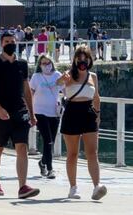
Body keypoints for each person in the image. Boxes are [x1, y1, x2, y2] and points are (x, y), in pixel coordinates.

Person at [0, 31, 39, 198]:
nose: (10, 43)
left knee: (22, 147)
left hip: (20, 111)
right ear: (1, 43)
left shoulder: (22, 64)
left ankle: (23, 186)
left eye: (12, 41)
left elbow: (27, 90)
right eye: (7, 41)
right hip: (0, 113)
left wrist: (32, 113)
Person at [56, 46, 107, 200]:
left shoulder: (93, 76)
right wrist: (62, 80)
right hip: (72, 112)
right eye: (80, 57)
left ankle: (96, 186)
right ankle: (73, 187)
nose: (83, 60)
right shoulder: (69, 74)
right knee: (72, 153)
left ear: (90, 59)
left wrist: (98, 114)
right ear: (75, 59)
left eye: (85, 57)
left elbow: (96, 97)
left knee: (92, 152)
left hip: (88, 113)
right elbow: (57, 83)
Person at [29, 54, 62, 179]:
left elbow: (65, 91)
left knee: (51, 142)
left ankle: (42, 162)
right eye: (44, 63)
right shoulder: (36, 77)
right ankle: (50, 169)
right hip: (39, 111)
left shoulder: (57, 75)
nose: (47, 66)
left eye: (48, 63)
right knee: (47, 140)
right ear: (40, 65)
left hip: (54, 112)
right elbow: (30, 93)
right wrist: (30, 111)